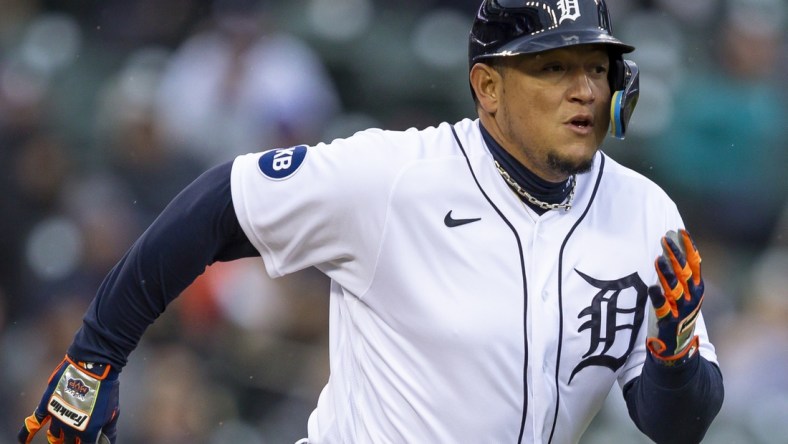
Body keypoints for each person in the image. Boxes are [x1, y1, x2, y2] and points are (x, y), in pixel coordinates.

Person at [18, 1, 724, 443]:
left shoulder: (643, 213)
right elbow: (217, 202)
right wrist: (93, 360)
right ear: (488, 87)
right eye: (554, 67)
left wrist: (675, 355)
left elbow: (675, 426)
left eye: (598, 68)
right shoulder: (396, 177)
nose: (584, 89)